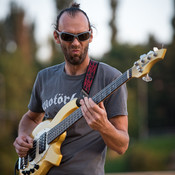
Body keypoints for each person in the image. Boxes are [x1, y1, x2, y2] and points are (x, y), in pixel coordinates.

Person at [13, 3, 129, 175]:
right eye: (68, 36)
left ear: (90, 36)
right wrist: (23, 137)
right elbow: (31, 118)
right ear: (56, 36)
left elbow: (121, 146)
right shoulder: (44, 77)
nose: (76, 43)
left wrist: (104, 126)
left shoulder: (111, 78)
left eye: (82, 36)